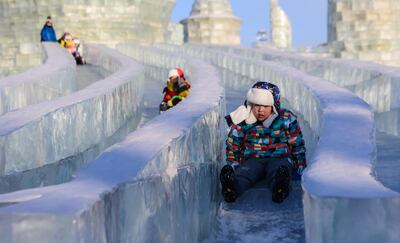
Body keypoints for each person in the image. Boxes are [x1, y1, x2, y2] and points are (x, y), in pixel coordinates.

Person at [220, 81, 307, 203]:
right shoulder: (244, 120)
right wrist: (233, 164)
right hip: (253, 159)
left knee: (277, 170)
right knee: (245, 173)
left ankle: (280, 187)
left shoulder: (286, 118)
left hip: (279, 157)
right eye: (257, 105)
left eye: (265, 106)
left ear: (274, 105)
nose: (261, 110)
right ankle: (231, 188)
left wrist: (300, 164)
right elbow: (233, 144)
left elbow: (296, 142)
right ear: (250, 104)